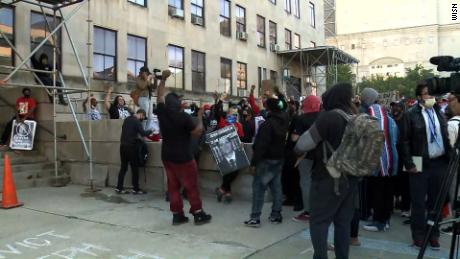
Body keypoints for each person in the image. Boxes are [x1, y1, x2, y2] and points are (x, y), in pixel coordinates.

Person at [295, 83, 359, 259]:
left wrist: (298, 150)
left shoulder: (329, 118)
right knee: (343, 224)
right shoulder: (356, 116)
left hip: (327, 178)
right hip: (351, 179)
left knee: (319, 222)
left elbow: (303, 144)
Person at [155, 70, 212, 226]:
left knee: (173, 187)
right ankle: (198, 213)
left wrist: (163, 80)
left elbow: (159, 96)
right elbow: (197, 133)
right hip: (184, 158)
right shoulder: (184, 117)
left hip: (167, 157)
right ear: (178, 104)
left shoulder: (162, 112)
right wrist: (200, 117)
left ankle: (177, 215)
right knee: (191, 186)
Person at [401, 81, 450, 249]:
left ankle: (433, 234)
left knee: (436, 203)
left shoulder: (439, 111)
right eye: (426, 94)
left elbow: (445, 136)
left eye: (432, 94)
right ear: (419, 97)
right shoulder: (410, 114)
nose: (430, 97)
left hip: (439, 162)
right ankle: (418, 235)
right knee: (419, 203)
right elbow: (404, 141)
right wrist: (408, 163)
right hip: (419, 161)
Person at [244, 97, 289, 228]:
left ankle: (255, 217)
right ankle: (276, 214)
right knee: (276, 187)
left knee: (259, 188)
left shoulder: (267, 125)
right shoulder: (284, 120)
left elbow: (260, 146)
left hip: (266, 160)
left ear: (269, 108)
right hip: (279, 158)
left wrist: (253, 164)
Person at [360, 88, 399, 232]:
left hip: (376, 162)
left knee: (377, 190)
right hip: (391, 160)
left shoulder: (368, 116)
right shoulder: (389, 118)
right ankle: (386, 219)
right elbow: (396, 138)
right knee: (388, 191)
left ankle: (378, 221)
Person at [291, 95, 321, 223]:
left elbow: (294, 138)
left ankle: (309, 211)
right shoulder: (323, 117)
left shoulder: (301, 119)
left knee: (306, 182)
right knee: (319, 182)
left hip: (305, 155)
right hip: (321, 155)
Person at [214, 93, 245, 204]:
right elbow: (217, 111)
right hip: (223, 150)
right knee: (227, 171)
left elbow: (241, 138)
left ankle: (222, 189)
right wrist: (221, 100)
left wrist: (241, 144)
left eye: (236, 114)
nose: (234, 115)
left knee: (235, 171)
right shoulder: (223, 122)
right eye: (232, 113)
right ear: (227, 114)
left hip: (235, 151)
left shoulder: (239, 126)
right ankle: (227, 192)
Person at [115, 109, 152, 194]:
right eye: (143, 117)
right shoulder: (137, 121)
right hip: (131, 147)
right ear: (141, 114)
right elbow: (143, 133)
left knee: (123, 168)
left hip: (122, 146)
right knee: (134, 168)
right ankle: (136, 188)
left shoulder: (127, 119)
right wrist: (151, 130)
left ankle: (119, 187)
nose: (143, 118)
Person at [391, 101, 411, 218]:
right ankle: (394, 204)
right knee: (394, 181)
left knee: (406, 183)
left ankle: (406, 207)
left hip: (406, 158)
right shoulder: (390, 121)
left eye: (398, 107)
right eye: (394, 107)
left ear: (403, 109)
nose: (395, 109)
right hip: (394, 157)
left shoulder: (408, 121)